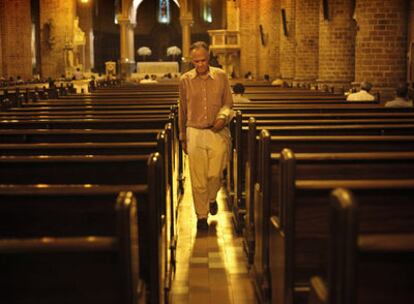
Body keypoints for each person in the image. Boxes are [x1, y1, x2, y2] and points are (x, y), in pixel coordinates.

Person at [179, 41, 233, 230]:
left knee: (215, 174)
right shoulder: (185, 80)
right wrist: (182, 137)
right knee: (198, 178)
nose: (200, 65)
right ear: (192, 61)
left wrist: (222, 118)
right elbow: (183, 110)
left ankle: (212, 198)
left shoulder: (221, 76)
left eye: (203, 60)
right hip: (194, 131)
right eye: (196, 62)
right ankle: (201, 216)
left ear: (209, 58)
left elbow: (228, 103)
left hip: (216, 131)